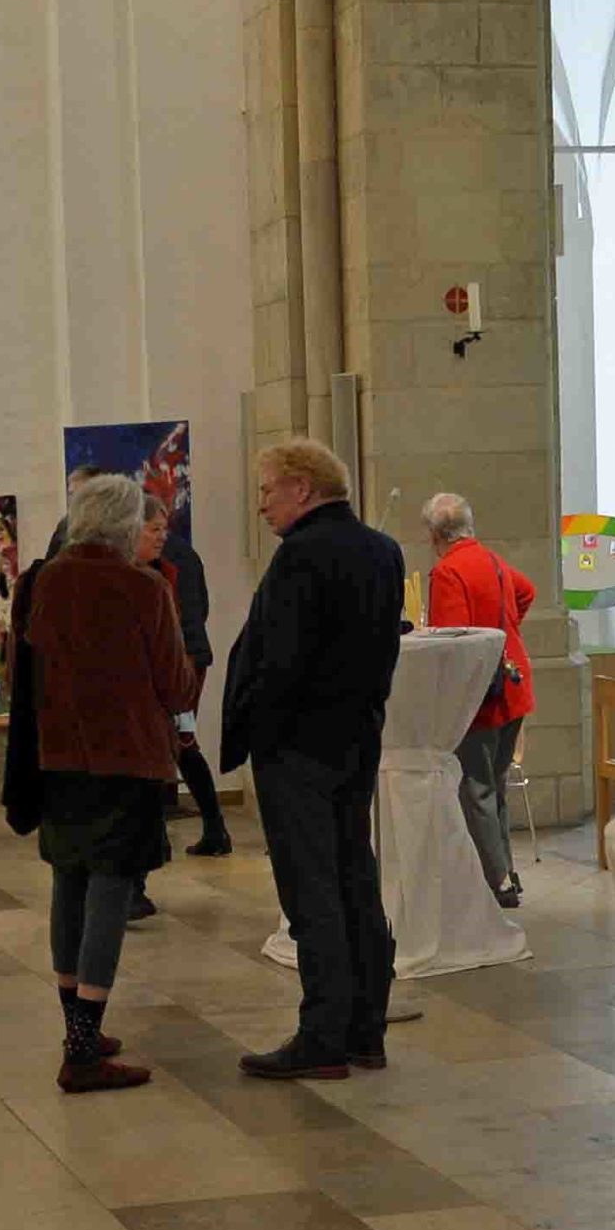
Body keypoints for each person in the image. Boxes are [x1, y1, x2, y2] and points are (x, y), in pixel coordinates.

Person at [8, 474, 198, 1093]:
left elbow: (17, 672)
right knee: (111, 890)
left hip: (57, 756)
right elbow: (175, 686)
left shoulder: (42, 581)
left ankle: (77, 1028)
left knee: (69, 882)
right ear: (125, 525)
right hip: (126, 759)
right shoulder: (143, 587)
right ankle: (84, 1050)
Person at [222, 440, 402, 1081]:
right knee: (355, 878)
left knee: (312, 890)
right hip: (356, 740)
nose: (261, 504)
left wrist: (260, 732)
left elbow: (282, 662)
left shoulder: (301, 555)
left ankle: (322, 1036)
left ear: (302, 488)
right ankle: (366, 1031)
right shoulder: (383, 550)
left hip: (299, 748)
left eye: (267, 490)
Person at [424, 492, 535, 908]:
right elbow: (527, 592)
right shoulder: (492, 560)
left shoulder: (448, 571)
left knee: (477, 788)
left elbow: (452, 641)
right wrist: (504, 631)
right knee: (496, 784)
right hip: (514, 682)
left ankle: (498, 881)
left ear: (436, 535)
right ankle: (506, 868)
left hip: (480, 694)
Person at [141, 495, 229, 859]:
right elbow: (202, 606)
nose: (160, 535)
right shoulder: (181, 554)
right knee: (180, 741)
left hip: (183, 662)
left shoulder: (166, 561)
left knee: (178, 740)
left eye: (161, 528)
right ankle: (212, 828)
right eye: (155, 528)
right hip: (188, 659)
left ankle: (203, 829)